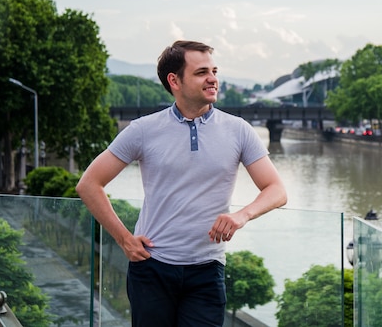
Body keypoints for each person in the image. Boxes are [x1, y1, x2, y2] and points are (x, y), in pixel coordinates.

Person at [76, 40, 287, 327]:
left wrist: (241, 215)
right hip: (151, 268)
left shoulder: (239, 130)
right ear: (174, 80)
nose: (212, 78)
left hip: (207, 270)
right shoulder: (143, 130)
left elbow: (277, 190)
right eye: (201, 72)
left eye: (214, 70)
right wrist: (124, 238)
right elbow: (89, 184)